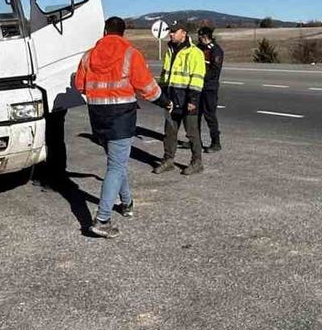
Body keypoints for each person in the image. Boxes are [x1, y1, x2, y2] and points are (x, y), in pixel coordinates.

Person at [74, 16, 169, 238]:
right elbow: (147, 87)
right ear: (123, 32)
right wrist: (165, 102)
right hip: (122, 118)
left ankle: (127, 203)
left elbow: (79, 84)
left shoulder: (89, 55)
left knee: (117, 162)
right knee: (116, 166)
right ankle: (102, 219)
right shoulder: (130, 54)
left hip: (98, 117)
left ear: (105, 31)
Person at [154, 23, 207, 175]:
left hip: (187, 99)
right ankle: (168, 160)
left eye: (173, 32)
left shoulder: (195, 53)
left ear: (183, 33)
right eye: (170, 31)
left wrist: (193, 101)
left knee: (191, 133)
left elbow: (197, 79)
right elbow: (165, 75)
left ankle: (197, 162)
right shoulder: (170, 50)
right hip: (171, 99)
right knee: (169, 132)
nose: (170, 34)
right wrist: (162, 96)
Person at [197, 26, 225, 153]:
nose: (200, 39)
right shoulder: (199, 48)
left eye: (202, 37)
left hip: (209, 88)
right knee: (195, 115)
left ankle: (215, 142)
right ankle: (195, 140)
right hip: (197, 86)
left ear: (206, 37)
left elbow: (214, 71)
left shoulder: (216, 51)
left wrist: (200, 76)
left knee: (209, 115)